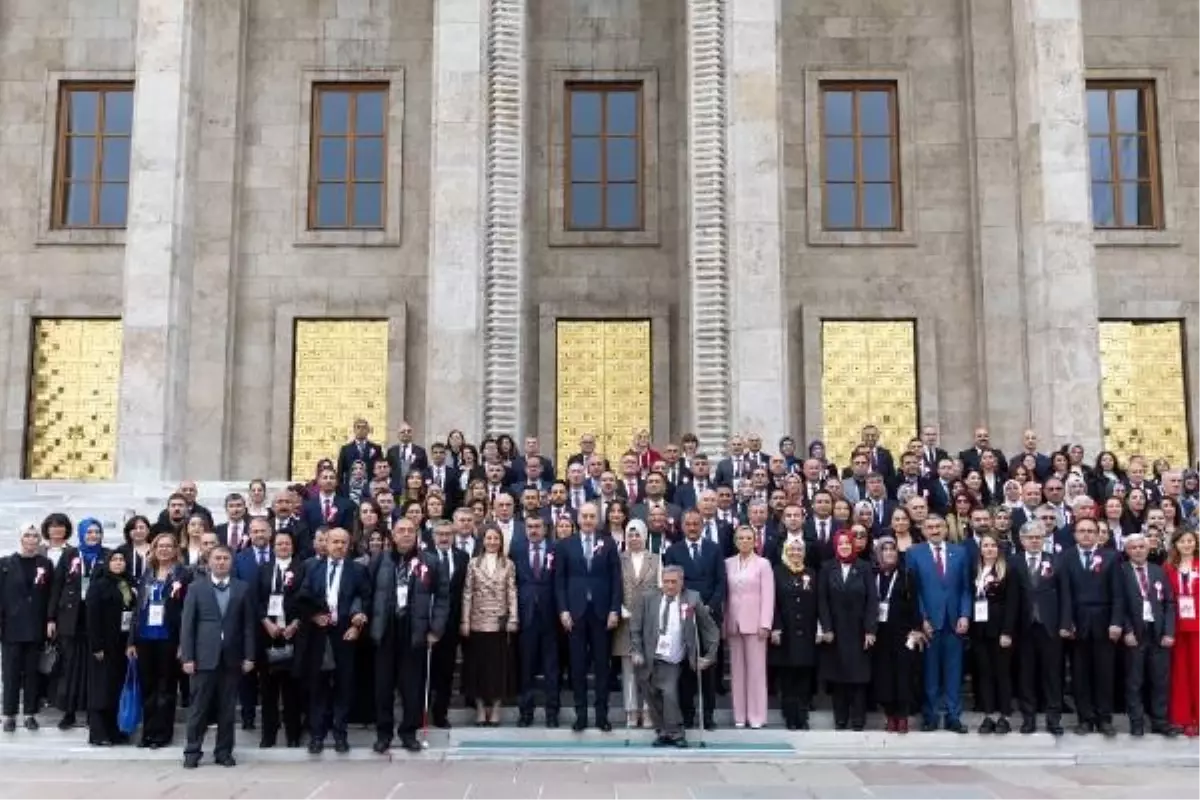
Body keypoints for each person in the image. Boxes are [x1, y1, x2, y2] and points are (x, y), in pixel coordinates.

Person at [368, 518, 448, 754]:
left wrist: (436, 629)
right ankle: (384, 733)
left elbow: (443, 598)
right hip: (386, 629)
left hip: (415, 631)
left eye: (410, 531)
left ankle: (408, 732)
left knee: (412, 686)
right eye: (400, 531)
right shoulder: (379, 561)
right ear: (392, 535)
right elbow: (368, 594)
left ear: (417, 535)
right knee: (383, 687)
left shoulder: (430, 562)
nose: (405, 535)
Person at [180, 546, 257, 768]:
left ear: (231, 562)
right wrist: (187, 657)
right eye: (217, 558)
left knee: (227, 709)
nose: (221, 562)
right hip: (203, 657)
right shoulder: (196, 588)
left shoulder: (242, 588)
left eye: (225, 558)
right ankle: (192, 751)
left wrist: (249, 655)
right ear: (209, 561)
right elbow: (188, 626)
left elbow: (248, 626)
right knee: (198, 707)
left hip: (232, 658)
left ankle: (224, 752)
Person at [297, 527, 370, 754]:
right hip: (319, 635)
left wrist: (357, 625)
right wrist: (312, 616)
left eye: (343, 542)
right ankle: (317, 735)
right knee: (317, 687)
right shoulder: (312, 568)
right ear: (325, 544)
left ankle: (340, 734)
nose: (339, 546)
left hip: (344, 634)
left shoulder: (357, 570)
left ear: (349, 545)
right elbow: (301, 597)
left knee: (343, 686)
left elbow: (366, 598)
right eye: (334, 542)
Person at [629, 565, 718, 748]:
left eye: (673, 582)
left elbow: (709, 628)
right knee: (651, 695)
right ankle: (663, 732)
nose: (669, 586)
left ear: (681, 582)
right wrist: (636, 651)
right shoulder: (648, 598)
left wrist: (710, 654)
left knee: (669, 693)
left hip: (673, 657)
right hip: (649, 656)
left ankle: (677, 733)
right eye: (666, 582)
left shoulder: (692, 599)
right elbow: (635, 627)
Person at [554, 502, 622, 732]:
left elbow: (616, 579)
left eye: (592, 516)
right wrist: (563, 610)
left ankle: (602, 715)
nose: (588, 520)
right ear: (578, 519)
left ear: (598, 519)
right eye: (585, 516)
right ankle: (581, 714)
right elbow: (559, 582)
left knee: (602, 667)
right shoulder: (566, 545)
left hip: (602, 614)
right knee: (578, 667)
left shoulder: (609, 543)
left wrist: (614, 609)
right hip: (575, 614)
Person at [662, 509, 727, 730]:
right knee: (686, 668)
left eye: (696, 524)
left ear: (702, 526)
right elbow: (670, 584)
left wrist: (709, 606)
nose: (692, 528)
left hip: (709, 613)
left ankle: (708, 715)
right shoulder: (673, 550)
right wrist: (688, 605)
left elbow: (721, 582)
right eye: (688, 524)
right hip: (684, 613)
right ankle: (687, 714)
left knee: (708, 667)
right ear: (682, 526)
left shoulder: (714, 549)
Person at [907, 514, 971, 733]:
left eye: (938, 526)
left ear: (946, 529)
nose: (934, 530)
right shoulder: (914, 553)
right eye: (930, 527)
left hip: (954, 622)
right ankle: (931, 715)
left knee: (954, 672)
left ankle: (954, 716)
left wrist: (964, 614)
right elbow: (913, 591)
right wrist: (921, 618)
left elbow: (965, 588)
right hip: (929, 623)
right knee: (930, 672)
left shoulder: (960, 552)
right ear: (923, 530)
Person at [1114, 532, 1180, 737]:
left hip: (1158, 632)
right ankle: (1136, 721)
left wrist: (1169, 631)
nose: (1138, 551)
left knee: (1160, 679)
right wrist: (1127, 630)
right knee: (1135, 680)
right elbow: (1118, 604)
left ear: (1148, 548)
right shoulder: (1121, 572)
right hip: (1135, 632)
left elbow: (1169, 602)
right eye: (1133, 547)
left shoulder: (1158, 571)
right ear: (1127, 551)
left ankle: (1160, 720)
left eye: (1141, 547)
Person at [129, 533, 191, 748]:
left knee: (166, 688)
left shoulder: (183, 575)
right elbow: (137, 610)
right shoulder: (147, 574)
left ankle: (163, 734)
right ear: (153, 550)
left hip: (169, 638)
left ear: (176, 550)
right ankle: (148, 732)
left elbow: (187, 611)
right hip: (145, 637)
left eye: (168, 546)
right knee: (148, 687)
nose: (164, 550)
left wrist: (184, 642)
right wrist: (131, 641)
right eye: (160, 546)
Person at [1009, 519, 1069, 736]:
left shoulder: (1056, 561)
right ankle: (1029, 717)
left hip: (1050, 627)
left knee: (1053, 675)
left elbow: (1065, 595)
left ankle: (1054, 718)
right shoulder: (1013, 562)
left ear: (1043, 540)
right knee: (1026, 674)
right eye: (1030, 538)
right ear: (1022, 540)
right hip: (1024, 627)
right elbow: (1011, 598)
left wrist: (1065, 623)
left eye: (1038, 537)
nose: (1035, 541)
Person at [1062, 516, 1120, 737]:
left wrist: (1116, 622)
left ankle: (1104, 718)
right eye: (1081, 531)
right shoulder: (1066, 557)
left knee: (1104, 673)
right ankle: (1085, 718)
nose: (1086, 534)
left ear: (1098, 534)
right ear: (1075, 534)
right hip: (1078, 622)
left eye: (1090, 531)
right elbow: (1065, 593)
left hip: (1104, 622)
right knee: (1080, 674)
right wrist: (1067, 621)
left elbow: (1118, 594)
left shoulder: (1111, 557)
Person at [49, 516, 108, 730]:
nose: (93, 536)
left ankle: (93, 711)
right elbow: (56, 587)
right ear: (82, 534)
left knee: (94, 666)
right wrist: (51, 618)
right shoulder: (70, 554)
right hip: (71, 618)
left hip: (96, 619)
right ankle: (69, 711)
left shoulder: (107, 555)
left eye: (97, 532)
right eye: (89, 532)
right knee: (70, 666)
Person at [817, 530, 879, 731]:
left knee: (858, 677)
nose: (844, 546)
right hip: (835, 631)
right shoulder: (827, 568)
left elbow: (872, 601)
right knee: (838, 676)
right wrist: (826, 627)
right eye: (841, 543)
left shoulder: (865, 568)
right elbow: (822, 601)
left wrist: (870, 630)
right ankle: (840, 719)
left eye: (848, 543)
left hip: (859, 630)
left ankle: (858, 720)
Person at [461, 525, 518, 726]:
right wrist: (465, 621)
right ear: (482, 541)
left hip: (499, 622)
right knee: (477, 667)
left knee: (498, 668)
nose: (492, 542)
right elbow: (468, 593)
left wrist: (513, 618)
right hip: (477, 621)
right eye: (489, 538)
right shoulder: (473, 563)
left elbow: (511, 592)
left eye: (496, 538)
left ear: (501, 541)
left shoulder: (508, 564)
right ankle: (479, 709)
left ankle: (495, 709)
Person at [0, 523, 54, 732]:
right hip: (11, 628)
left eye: (35, 536)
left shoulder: (45, 563)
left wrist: (50, 620)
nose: (31, 539)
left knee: (32, 673)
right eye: (27, 536)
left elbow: (50, 594)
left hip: (35, 627)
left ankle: (30, 713)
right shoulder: (5, 564)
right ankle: (9, 714)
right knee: (11, 672)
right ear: (21, 539)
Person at [256, 529, 305, 749]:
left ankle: (293, 734)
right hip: (269, 635)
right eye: (279, 544)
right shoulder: (265, 570)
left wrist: (295, 624)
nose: (283, 547)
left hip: (293, 635)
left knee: (292, 689)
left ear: (292, 547)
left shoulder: (302, 569)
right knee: (268, 690)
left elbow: (308, 597)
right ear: (273, 547)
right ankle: (268, 735)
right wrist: (266, 622)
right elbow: (256, 600)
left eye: (287, 544)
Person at [511, 516, 561, 728]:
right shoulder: (517, 550)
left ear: (545, 528)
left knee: (552, 668)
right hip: (526, 615)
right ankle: (526, 712)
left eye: (537, 526)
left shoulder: (556, 549)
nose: (533, 530)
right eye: (530, 527)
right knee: (526, 667)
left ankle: (552, 712)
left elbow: (561, 581)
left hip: (551, 617)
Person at [724, 525, 774, 729]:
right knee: (737, 671)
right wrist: (724, 622)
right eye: (740, 538)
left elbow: (769, 595)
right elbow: (726, 596)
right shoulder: (728, 563)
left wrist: (765, 623)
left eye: (748, 538)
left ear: (755, 541)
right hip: (734, 622)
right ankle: (739, 715)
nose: (744, 541)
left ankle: (756, 716)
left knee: (756, 671)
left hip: (755, 623)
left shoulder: (763, 564)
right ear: (735, 541)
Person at [871, 535, 922, 733]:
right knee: (884, 675)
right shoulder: (872, 574)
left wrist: (916, 629)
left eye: (893, 549)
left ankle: (902, 716)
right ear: (879, 553)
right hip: (879, 633)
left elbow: (915, 604)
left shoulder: (906, 575)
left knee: (903, 675)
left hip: (903, 633)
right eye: (885, 549)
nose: (889, 553)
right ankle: (889, 714)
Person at [84, 550, 135, 746]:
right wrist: (97, 645)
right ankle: (98, 732)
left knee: (116, 688)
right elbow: (92, 617)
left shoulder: (129, 584)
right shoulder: (99, 585)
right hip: (104, 645)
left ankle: (115, 730)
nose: (118, 563)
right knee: (101, 688)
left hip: (122, 644)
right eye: (114, 560)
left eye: (122, 559)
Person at [970, 531, 1018, 734]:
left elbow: (1013, 603)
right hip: (980, 629)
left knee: (1002, 674)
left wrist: (1007, 631)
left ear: (998, 549)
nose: (989, 549)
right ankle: (988, 714)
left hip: (1000, 629)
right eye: (985, 545)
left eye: (992, 546)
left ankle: (1004, 716)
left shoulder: (1007, 570)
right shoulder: (975, 570)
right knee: (985, 673)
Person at [615, 519, 660, 728]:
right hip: (625, 622)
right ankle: (631, 711)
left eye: (637, 535)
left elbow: (661, 589)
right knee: (629, 669)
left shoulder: (657, 560)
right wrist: (618, 606)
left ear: (644, 536)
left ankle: (648, 711)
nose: (634, 539)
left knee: (649, 669)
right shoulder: (618, 559)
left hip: (649, 623)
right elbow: (613, 586)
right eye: (630, 535)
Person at [769, 538, 818, 730]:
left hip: (806, 632)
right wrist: (776, 626)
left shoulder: (811, 573)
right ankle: (790, 716)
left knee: (804, 677)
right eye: (792, 549)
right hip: (785, 632)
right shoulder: (777, 572)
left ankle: (802, 716)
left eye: (799, 549)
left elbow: (817, 602)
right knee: (788, 678)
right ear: (785, 551)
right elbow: (773, 602)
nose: (796, 553)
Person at [428, 520, 469, 729]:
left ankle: (440, 714)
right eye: (440, 534)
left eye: (448, 534)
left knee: (446, 671)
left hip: (452, 624)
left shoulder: (462, 557)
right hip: (430, 623)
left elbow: (465, 591)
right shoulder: (424, 557)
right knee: (426, 671)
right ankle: (422, 713)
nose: (444, 538)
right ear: (433, 536)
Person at [1165, 528, 1200, 734]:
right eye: (1183, 541)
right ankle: (1183, 717)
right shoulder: (1169, 567)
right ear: (1176, 544)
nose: (1187, 544)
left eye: (1191, 541)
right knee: (1180, 672)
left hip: (1198, 625)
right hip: (1177, 626)